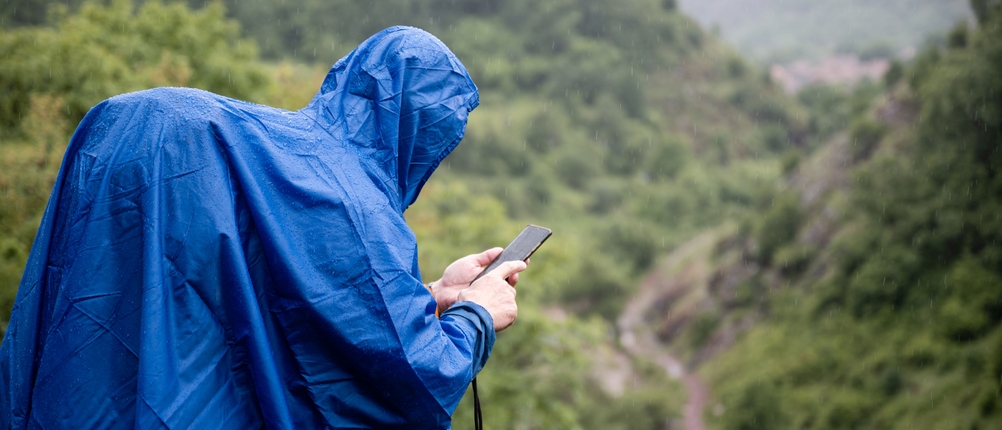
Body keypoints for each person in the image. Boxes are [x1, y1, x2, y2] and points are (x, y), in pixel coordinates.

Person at [0, 26, 523, 429]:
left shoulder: (271, 150)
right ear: (424, 136)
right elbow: (410, 380)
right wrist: (477, 314)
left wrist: (432, 297)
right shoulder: (358, 207)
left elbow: (289, 300)